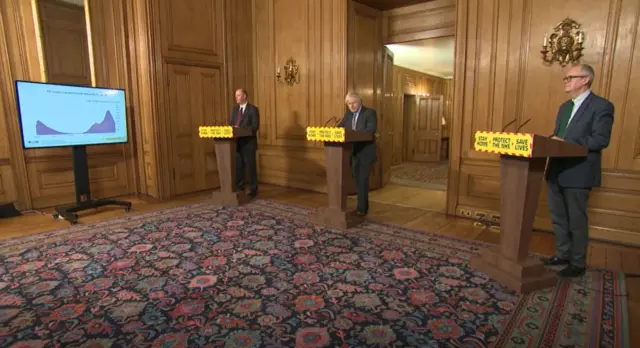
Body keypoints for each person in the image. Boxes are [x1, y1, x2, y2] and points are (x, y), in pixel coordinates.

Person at [542, 64, 614, 278]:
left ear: (585, 80)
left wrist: (566, 141)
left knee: (576, 220)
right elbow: (558, 136)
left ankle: (577, 263)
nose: (566, 81)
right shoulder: (564, 107)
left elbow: (600, 140)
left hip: (579, 172)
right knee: (558, 218)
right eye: (565, 78)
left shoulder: (602, 106)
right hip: (556, 170)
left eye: (570, 77)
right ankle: (562, 254)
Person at [338, 91, 377, 216]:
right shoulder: (348, 115)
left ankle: (362, 209)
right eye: (349, 104)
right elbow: (340, 127)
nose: (351, 106)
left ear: (360, 101)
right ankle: (360, 206)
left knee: (363, 180)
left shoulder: (370, 113)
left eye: (353, 103)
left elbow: (370, 131)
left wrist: (353, 134)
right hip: (352, 152)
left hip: (365, 152)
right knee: (356, 179)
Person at [230, 88, 260, 198]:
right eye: (235, 95)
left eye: (238, 95)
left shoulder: (253, 109)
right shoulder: (234, 109)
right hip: (236, 142)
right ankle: (239, 188)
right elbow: (232, 124)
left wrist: (241, 129)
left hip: (248, 143)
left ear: (244, 96)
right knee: (238, 167)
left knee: (250, 166)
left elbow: (255, 126)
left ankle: (253, 189)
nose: (236, 97)